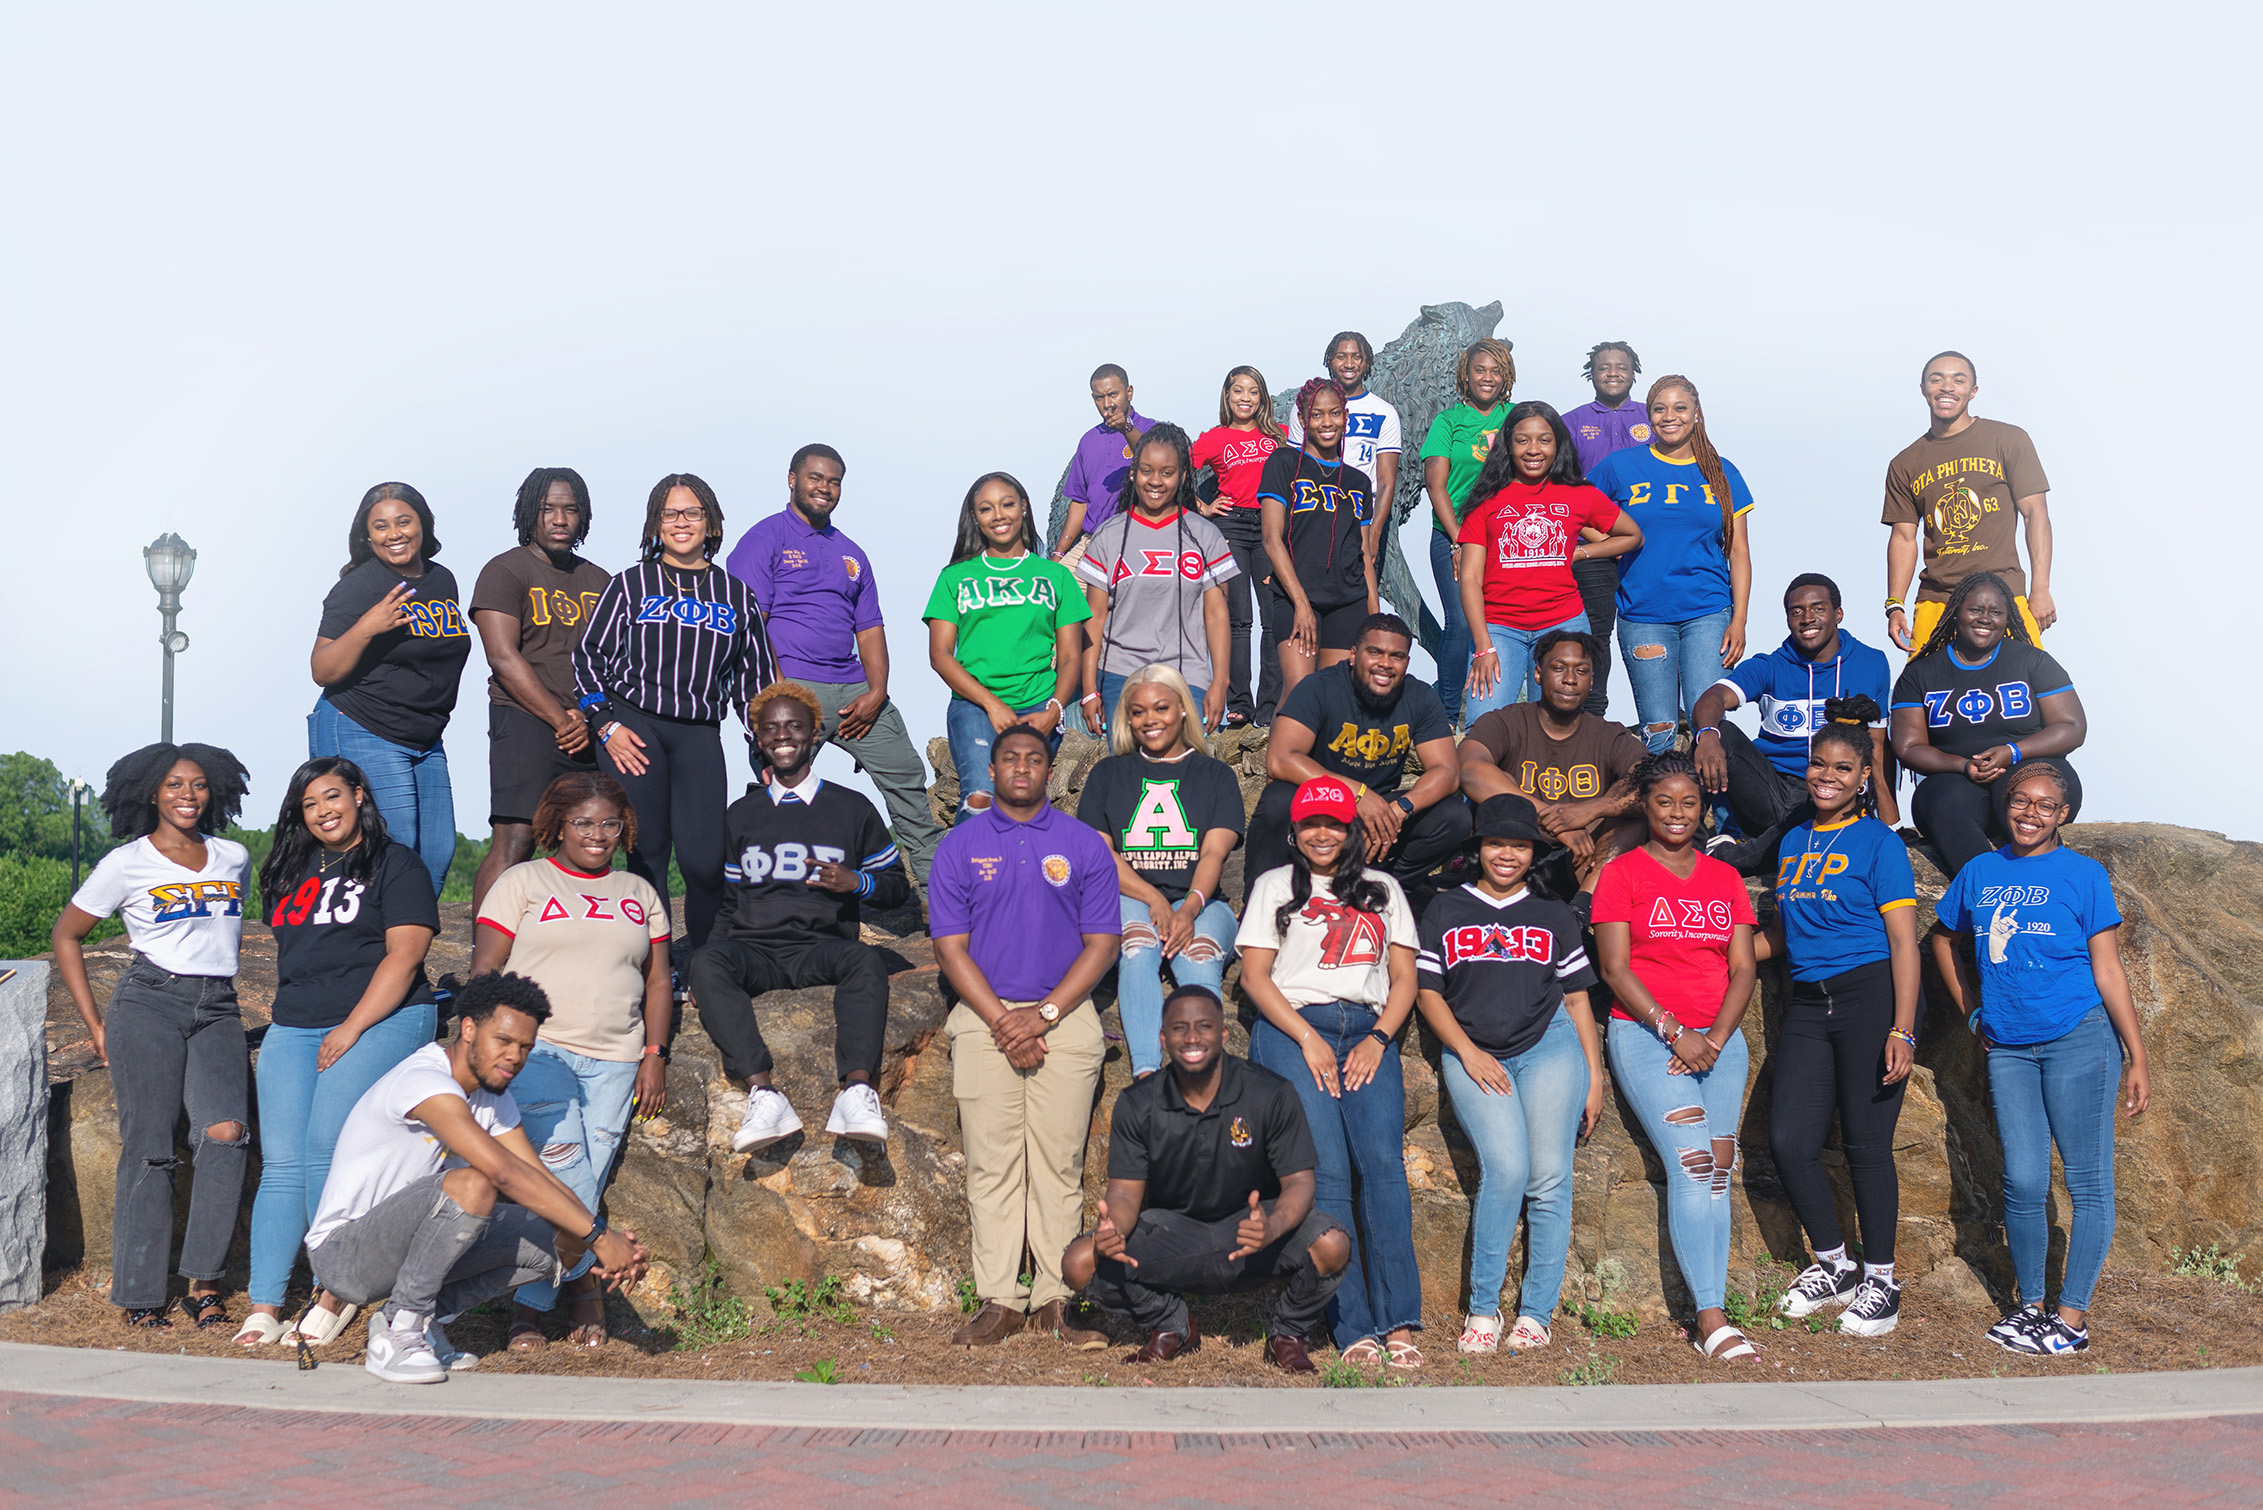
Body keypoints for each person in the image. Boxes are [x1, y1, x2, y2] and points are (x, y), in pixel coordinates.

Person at [303, 971, 651, 1384]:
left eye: (525, 1047)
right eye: (502, 1041)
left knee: (562, 1240)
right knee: (476, 1183)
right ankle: (401, 1334)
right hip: (346, 1254)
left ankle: (413, 1317)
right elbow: (503, 1172)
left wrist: (598, 1238)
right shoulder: (424, 1081)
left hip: (410, 1243)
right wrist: (599, 1236)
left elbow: (537, 1174)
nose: (514, 1058)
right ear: (468, 1028)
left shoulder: (492, 1098)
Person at [1930, 761, 2151, 1357]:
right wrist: (1972, 1010)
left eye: (2045, 805)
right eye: (2020, 801)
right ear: (2005, 805)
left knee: (2086, 1183)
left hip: (2079, 1036)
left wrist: (2136, 1055)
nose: (2030, 813)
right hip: (2007, 1045)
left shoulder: (2083, 875)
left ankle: (2072, 1320)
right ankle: (2030, 1308)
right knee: (2023, 1179)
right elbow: (1943, 937)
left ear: (2065, 815)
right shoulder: (1981, 871)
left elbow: (2107, 968)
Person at [232, 758, 440, 1351]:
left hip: (384, 1016)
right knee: (283, 1163)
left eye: (332, 796)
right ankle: (266, 1301)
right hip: (297, 1022)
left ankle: (334, 1289)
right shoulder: (292, 868)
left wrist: (351, 1028)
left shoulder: (396, 864)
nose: (323, 811)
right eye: (309, 803)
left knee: (328, 1146)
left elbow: (403, 957)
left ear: (358, 795)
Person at [49, 743, 252, 1330]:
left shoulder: (232, 856)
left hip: (218, 1006)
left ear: (213, 790)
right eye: (173, 785)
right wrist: (95, 1025)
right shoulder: (126, 863)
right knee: (152, 1146)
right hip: (149, 1003)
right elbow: (68, 935)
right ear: (151, 793)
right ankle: (140, 1293)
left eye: (197, 785)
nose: (187, 796)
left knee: (227, 1135)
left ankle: (204, 1284)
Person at [929, 725, 1119, 1348]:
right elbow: (949, 948)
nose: (1020, 768)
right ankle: (999, 1298)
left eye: (1033, 759)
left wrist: (1043, 1016)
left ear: (1049, 769)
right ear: (991, 768)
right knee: (992, 1164)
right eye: (1008, 757)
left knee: (1059, 1165)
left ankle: (1056, 1300)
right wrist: (1005, 1021)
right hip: (984, 1018)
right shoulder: (960, 846)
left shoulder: (1081, 844)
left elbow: (1102, 944)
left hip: (1065, 1014)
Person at [471, 772, 671, 1351]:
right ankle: (582, 1292)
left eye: (610, 823)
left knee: (586, 1178)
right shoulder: (523, 880)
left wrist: (654, 1054)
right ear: (558, 824)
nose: (598, 834)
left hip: (617, 1058)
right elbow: (487, 966)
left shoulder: (639, 893)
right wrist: (484, 1043)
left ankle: (533, 1304)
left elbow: (658, 981)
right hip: (540, 1053)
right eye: (584, 822)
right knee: (566, 1171)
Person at [1062, 985, 1351, 1372]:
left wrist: (1273, 1226)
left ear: (1224, 1034)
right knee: (1081, 1261)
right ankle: (1171, 1326)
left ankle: (1288, 1333)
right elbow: (1125, 1194)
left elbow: (1300, 1182)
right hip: (1177, 1235)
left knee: (1332, 1243)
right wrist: (1112, 1228)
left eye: (1204, 1026)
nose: (1192, 1037)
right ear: (1163, 1038)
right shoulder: (1137, 1103)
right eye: (1179, 1028)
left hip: (1254, 1232)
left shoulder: (1271, 1092)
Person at [1238, 775, 1424, 1367]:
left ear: (1352, 831)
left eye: (1334, 824)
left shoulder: (1382, 889)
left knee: (1383, 1168)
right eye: (1311, 823)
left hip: (1367, 1031)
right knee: (1329, 1174)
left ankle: (1399, 1322)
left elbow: (1405, 981)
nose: (1323, 833)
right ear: (1294, 832)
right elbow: (1254, 978)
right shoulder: (1274, 886)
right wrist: (1307, 1038)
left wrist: (1378, 1038)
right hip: (1295, 1028)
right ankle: (1352, 1326)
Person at [1750, 716, 1922, 1338]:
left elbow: (1905, 944)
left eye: (1843, 768)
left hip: (1868, 996)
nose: (1827, 776)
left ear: (1863, 778)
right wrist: (1721, 949)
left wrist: (1902, 1029)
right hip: (1807, 1002)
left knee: (1866, 1144)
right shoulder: (1794, 840)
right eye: (1819, 764)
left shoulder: (1880, 844)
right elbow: (1784, 934)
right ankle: (1835, 1265)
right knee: (1790, 1141)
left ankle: (1883, 1282)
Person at [1415, 794, 1605, 1353]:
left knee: (1548, 1177)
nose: (1507, 854)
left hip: (1549, 1049)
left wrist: (1593, 1076)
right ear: (1478, 849)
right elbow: (1428, 993)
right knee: (1505, 1169)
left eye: (1519, 846)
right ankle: (1483, 1309)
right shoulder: (1446, 908)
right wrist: (1468, 1053)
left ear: (1532, 854)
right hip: (1472, 1051)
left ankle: (1536, 1312)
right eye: (1496, 843)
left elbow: (1576, 1003)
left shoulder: (1551, 914)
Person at [686, 683, 910, 1153]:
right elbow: (730, 903)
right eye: (771, 729)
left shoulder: (851, 807)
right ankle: (765, 1096)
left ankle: (856, 1092)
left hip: (819, 950)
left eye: (793, 727)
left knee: (866, 964)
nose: (782, 736)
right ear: (758, 739)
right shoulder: (740, 814)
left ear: (814, 735)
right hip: (755, 953)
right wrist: (707, 970)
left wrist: (857, 884)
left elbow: (895, 887)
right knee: (705, 963)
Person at [1590, 750, 1760, 1364]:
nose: (1678, 813)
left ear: (1704, 808)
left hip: (1719, 1040)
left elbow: (1742, 968)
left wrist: (1713, 1037)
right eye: (1664, 802)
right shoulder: (1623, 873)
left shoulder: (1724, 879)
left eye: (1690, 802)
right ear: (1645, 805)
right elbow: (1614, 967)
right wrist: (1672, 1030)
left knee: (1719, 1170)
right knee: (1690, 1166)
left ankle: (1711, 1305)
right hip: (1646, 1032)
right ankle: (1710, 1317)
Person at [573, 473, 776, 952]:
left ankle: (706, 964)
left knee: (706, 863)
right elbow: (587, 658)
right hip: (633, 727)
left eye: (692, 513)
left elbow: (756, 685)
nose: (681, 522)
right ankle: (655, 968)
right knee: (648, 854)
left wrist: (766, 755)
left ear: (711, 523)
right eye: (670, 513)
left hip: (698, 733)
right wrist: (605, 725)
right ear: (655, 524)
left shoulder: (736, 595)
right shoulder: (630, 584)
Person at [724, 443, 943, 886]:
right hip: (791, 684)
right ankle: (765, 893)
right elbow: (748, 624)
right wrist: (777, 692)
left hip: (853, 688)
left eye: (834, 481)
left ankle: (936, 897)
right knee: (780, 793)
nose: (824, 488)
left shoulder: (851, 553)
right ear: (792, 480)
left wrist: (877, 691)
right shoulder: (764, 539)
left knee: (906, 777)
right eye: (815, 478)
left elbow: (870, 629)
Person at [1076, 665, 1245, 1080]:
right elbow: (1101, 855)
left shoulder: (1216, 774)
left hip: (1203, 901)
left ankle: (1204, 1076)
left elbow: (1212, 855)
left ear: (1183, 710)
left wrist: (1188, 909)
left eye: (1161, 707)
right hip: (1128, 897)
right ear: (1127, 718)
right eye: (1138, 712)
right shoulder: (1108, 774)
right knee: (1137, 946)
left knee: (1199, 956)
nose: (1150, 719)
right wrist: (1153, 898)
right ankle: (1147, 1076)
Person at [308, 482, 472, 894]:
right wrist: (367, 627)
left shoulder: (442, 580)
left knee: (436, 853)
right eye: (380, 526)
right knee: (391, 850)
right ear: (367, 536)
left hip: (424, 735)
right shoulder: (359, 587)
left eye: (404, 521)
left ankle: (408, 954)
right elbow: (322, 669)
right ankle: (372, 952)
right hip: (364, 726)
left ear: (423, 525)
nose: (393, 533)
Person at [1249, 615, 1469, 912]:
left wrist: (1402, 807)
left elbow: (1447, 771)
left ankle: (1378, 889)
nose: (1385, 664)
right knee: (1277, 800)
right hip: (1321, 803)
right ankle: (1261, 905)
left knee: (1455, 817)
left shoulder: (1419, 697)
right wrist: (1356, 793)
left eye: (1397, 656)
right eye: (1375, 652)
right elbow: (1280, 758)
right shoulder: (1319, 687)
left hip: (1378, 814)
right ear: (1354, 655)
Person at [1588, 376, 1755, 753]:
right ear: (1648, 417)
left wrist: (1739, 619)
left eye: (1680, 407)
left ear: (1696, 413)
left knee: (1708, 725)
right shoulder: (1621, 465)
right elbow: (1576, 509)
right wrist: (1610, 544)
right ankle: (1662, 810)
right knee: (1658, 732)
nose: (1670, 416)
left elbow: (1739, 551)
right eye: (1659, 409)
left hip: (1708, 614)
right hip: (1643, 614)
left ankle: (1716, 812)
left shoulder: (1722, 471)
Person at [468, 467, 608, 913]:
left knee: (591, 838)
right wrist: (558, 717)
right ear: (529, 514)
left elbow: (613, 662)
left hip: (586, 725)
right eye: (548, 509)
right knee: (516, 840)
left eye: (570, 509)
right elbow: (503, 657)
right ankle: (485, 968)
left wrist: (587, 718)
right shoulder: (504, 571)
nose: (559, 519)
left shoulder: (601, 581)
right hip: (525, 719)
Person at [1692, 574, 1898, 873]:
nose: (1807, 618)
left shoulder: (1872, 663)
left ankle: (1730, 857)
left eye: (1818, 608)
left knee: (1818, 807)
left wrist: (1892, 824)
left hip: (1830, 793)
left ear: (1838, 614)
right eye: (1796, 611)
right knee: (1714, 732)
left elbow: (1877, 750)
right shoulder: (1771, 665)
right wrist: (1708, 736)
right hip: (1772, 790)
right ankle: (1691, 846)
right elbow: (1713, 697)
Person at [1889, 571, 2085, 879]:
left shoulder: (2032, 661)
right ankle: (1991, 891)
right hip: (1958, 780)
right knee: (1934, 801)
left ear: (2008, 618)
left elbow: (2072, 726)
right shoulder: (1920, 673)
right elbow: (1908, 746)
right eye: (1975, 610)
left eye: (1996, 612)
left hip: (2030, 765)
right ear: (1955, 613)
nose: (1985, 618)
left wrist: (2012, 751)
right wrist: (1963, 765)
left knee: (2019, 796)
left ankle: (2047, 883)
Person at [1453, 399, 1641, 717]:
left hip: (1563, 624)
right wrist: (1483, 645)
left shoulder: (1578, 493)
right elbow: (1470, 578)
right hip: (1500, 628)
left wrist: (1581, 552)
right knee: (1482, 726)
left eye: (1544, 439)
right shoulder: (1486, 500)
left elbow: (1632, 535)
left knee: (1559, 725)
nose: (1533, 450)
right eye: (1522, 440)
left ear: (1558, 444)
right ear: (1508, 445)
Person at [924, 471, 1089, 815]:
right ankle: (964, 870)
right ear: (974, 518)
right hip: (975, 706)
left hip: (1039, 706)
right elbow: (940, 656)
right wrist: (992, 705)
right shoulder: (954, 578)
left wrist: (1055, 710)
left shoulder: (1056, 577)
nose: (999, 515)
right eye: (986, 509)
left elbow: (1072, 655)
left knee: (1029, 803)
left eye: (1007, 504)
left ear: (1024, 508)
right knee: (980, 798)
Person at [1457, 630, 1647, 911]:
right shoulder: (1507, 722)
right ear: (1537, 674)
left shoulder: (1608, 735)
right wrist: (1555, 821)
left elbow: (1653, 783)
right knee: (1502, 783)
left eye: (1581, 671)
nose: (1570, 679)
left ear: (1592, 681)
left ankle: (1582, 911)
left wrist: (1591, 810)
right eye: (1558, 668)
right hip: (1516, 854)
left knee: (1633, 815)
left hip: (1581, 864)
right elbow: (1468, 768)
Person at [1884, 350, 2055, 653]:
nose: (1947, 387)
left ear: (1973, 391)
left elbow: (2035, 515)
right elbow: (1903, 537)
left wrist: (2040, 588)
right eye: (1936, 380)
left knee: (2027, 687)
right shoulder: (1905, 462)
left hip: (2004, 593)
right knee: (1924, 692)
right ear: (1923, 389)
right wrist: (1894, 604)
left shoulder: (2009, 440)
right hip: (1937, 600)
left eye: (1958, 380)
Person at [1075, 422, 1239, 734]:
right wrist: (1089, 689)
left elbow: (1218, 615)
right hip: (1119, 677)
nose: (1156, 481)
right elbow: (1093, 618)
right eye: (1147, 470)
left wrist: (1220, 682)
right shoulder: (1109, 536)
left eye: (1167, 472)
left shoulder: (1206, 535)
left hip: (1187, 677)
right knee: (1127, 776)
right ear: (1133, 472)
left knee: (1186, 775)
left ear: (1183, 476)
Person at [1258, 378, 1379, 700]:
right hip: (1296, 596)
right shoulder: (1284, 463)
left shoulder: (1359, 481)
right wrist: (1301, 604)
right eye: (1317, 414)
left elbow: (1363, 554)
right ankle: (1280, 753)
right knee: (1300, 694)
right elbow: (1271, 539)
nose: (1327, 422)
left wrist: (1375, 619)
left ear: (1346, 416)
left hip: (1348, 601)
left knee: (1339, 698)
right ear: (1302, 419)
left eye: (1335, 413)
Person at [1416, 338, 1516, 725]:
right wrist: (1459, 538)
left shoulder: (1515, 418)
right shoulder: (1448, 422)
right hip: (1453, 536)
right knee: (1460, 620)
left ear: (1506, 376)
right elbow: (1436, 485)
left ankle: (1493, 714)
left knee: (1499, 622)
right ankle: (1445, 713)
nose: (1487, 377)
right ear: (1466, 375)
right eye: (1480, 369)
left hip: (1505, 539)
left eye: (1496, 370)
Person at [1189, 365, 1287, 727]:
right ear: (1227, 397)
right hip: (1230, 526)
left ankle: (1270, 704)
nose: (1245, 398)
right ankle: (1240, 703)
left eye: (1253, 391)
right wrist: (1202, 506)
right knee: (1238, 618)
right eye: (1237, 391)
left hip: (1270, 528)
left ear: (1262, 398)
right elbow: (1178, 468)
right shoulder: (1215, 438)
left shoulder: (1280, 437)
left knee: (1274, 617)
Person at [1559, 341, 1651, 716]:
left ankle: (1669, 712)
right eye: (1604, 367)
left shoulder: (1654, 416)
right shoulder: (1572, 421)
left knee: (1653, 627)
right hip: (1591, 543)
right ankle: (1594, 712)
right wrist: (1602, 539)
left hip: (1648, 548)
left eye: (1621, 366)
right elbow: (1563, 486)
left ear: (1633, 372)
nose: (1613, 372)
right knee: (1596, 631)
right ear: (1591, 374)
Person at [1286, 331, 1403, 520]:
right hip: (1314, 506)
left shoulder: (1384, 412)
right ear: (1330, 361)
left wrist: (1373, 535)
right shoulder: (1306, 405)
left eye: (1357, 357)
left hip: (1361, 510)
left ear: (1366, 363)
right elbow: (1294, 465)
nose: (1349, 364)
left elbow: (1386, 483)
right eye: (1341, 357)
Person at [1053, 364, 1154, 566]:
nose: (1107, 403)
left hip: (1136, 538)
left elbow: (1153, 459)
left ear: (1129, 392)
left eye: (1113, 394)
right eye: (1100, 397)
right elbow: (1080, 502)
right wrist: (1059, 554)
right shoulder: (1088, 440)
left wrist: (1126, 427)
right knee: (1056, 586)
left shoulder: (1151, 429)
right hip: (1092, 540)